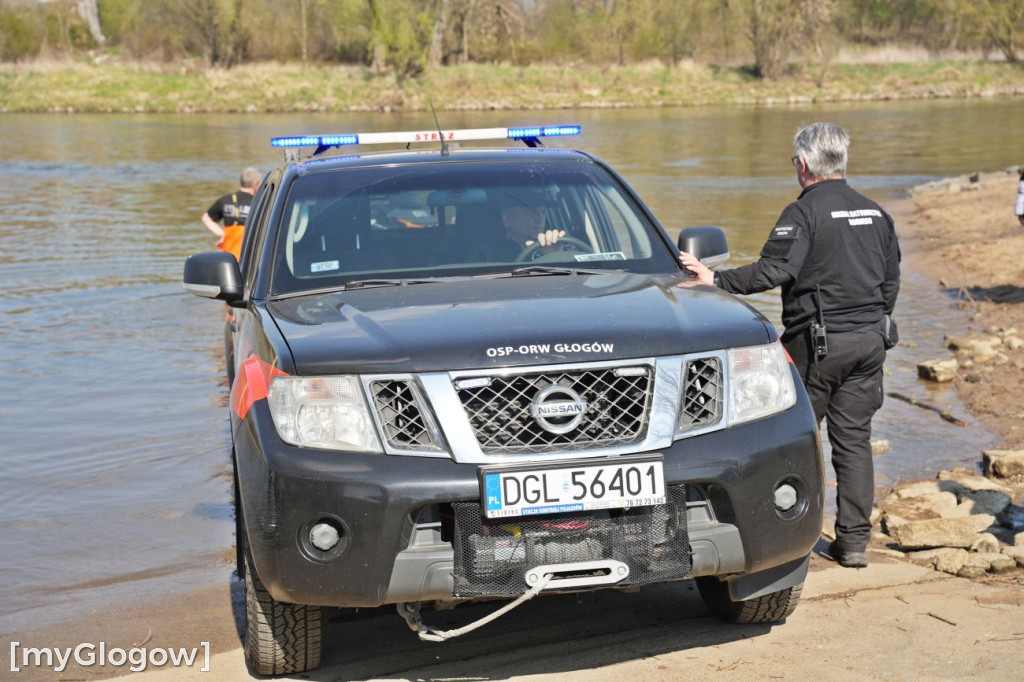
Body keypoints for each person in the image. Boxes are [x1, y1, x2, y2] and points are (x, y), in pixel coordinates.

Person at [679, 122, 901, 569]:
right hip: (869, 341)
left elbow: (773, 271)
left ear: (803, 165)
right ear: (840, 161)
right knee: (854, 441)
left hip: (818, 346)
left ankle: (785, 536)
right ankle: (854, 543)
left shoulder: (803, 213)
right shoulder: (876, 213)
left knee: (792, 439)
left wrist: (716, 279)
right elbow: (891, 284)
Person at [201, 167, 262, 260]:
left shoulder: (225, 200)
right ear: (256, 184)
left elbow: (206, 218)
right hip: (249, 259)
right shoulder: (258, 202)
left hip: (229, 259)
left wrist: (222, 234)